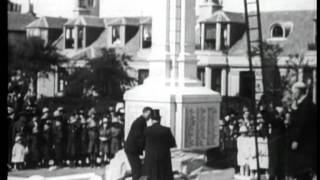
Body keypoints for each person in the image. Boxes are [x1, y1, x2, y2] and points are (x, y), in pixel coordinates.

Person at [288, 82, 316, 180]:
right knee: (300, 172)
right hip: (302, 145)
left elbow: (302, 124)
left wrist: (296, 140)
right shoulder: (302, 104)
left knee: (303, 172)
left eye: (294, 92)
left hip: (304, 145)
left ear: (300, 91)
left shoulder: (307, 105)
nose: (293, 94)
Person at [144, 109, 176, 180]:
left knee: (152, 175)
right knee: (163, 175)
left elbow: (143, 144)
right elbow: (172, 144)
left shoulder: (147, 130)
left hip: (150, 156)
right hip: (163, 156)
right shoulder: (166, 130)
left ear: (151, 119)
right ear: (160, 119)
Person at [124, 107, 152, 180]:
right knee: (137, 169)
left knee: (137, 168)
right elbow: (139, 136)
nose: (149, 117)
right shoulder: (140, 122)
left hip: (132, 148)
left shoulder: (140, 121)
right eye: (149, 114)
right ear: (145, 112)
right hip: (132, 148)